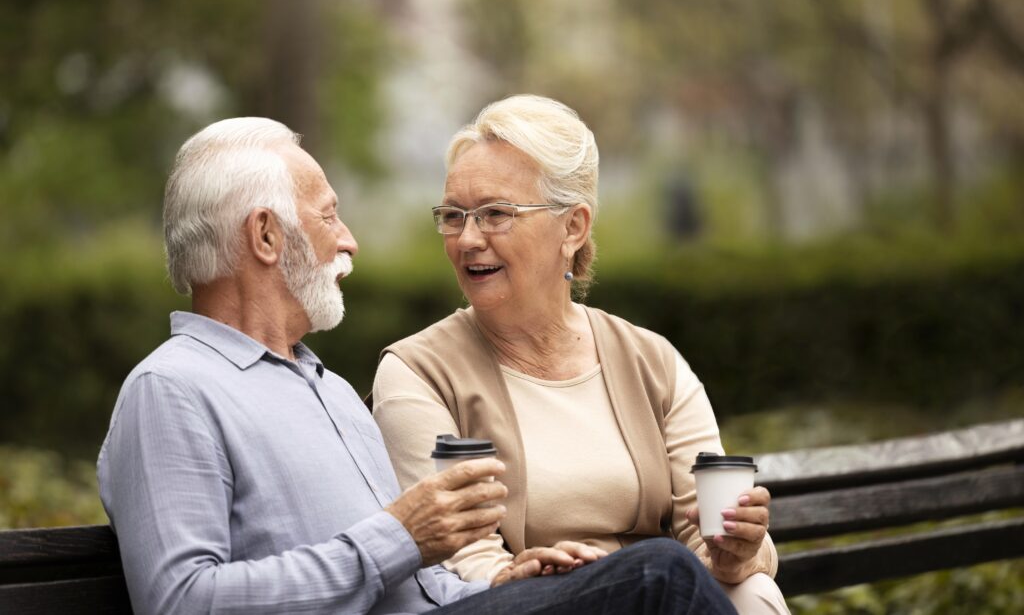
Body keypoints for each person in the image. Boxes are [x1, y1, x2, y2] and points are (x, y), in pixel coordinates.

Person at [97, 117, 738, 615]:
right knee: (661, 575)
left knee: (641, 579)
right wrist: (397, 539)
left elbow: (415, 583)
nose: (348, 240)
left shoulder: (330, 391)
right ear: (265, 236)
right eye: (328, 216)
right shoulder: (172, 390)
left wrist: (512, 581)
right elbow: (181, 602)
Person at [372, 95, 790, 614]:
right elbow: (460, 555)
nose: (468, 239)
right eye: (454, 216)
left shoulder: (650, 360)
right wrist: (512, 574)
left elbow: (703, 531)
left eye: (496, 214)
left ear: (573, 227)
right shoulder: (419, 373)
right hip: (532, 604)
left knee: (751, 591)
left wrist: (735, 553)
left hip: (657, 595)